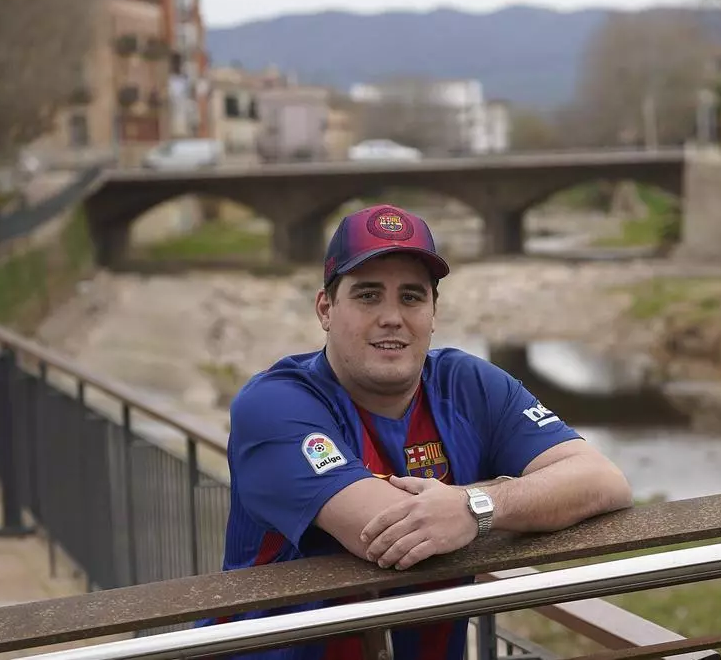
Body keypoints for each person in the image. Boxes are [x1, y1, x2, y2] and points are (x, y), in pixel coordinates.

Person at [201, 203, 634, 660]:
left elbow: (603, 480)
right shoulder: (274, 405)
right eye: (368, 295)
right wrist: (498, 499)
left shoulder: (467, 384)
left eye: (411, 297)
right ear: (326, 308)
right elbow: (390, 531)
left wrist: (474, 507)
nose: (392, 316)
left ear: (433, 312)